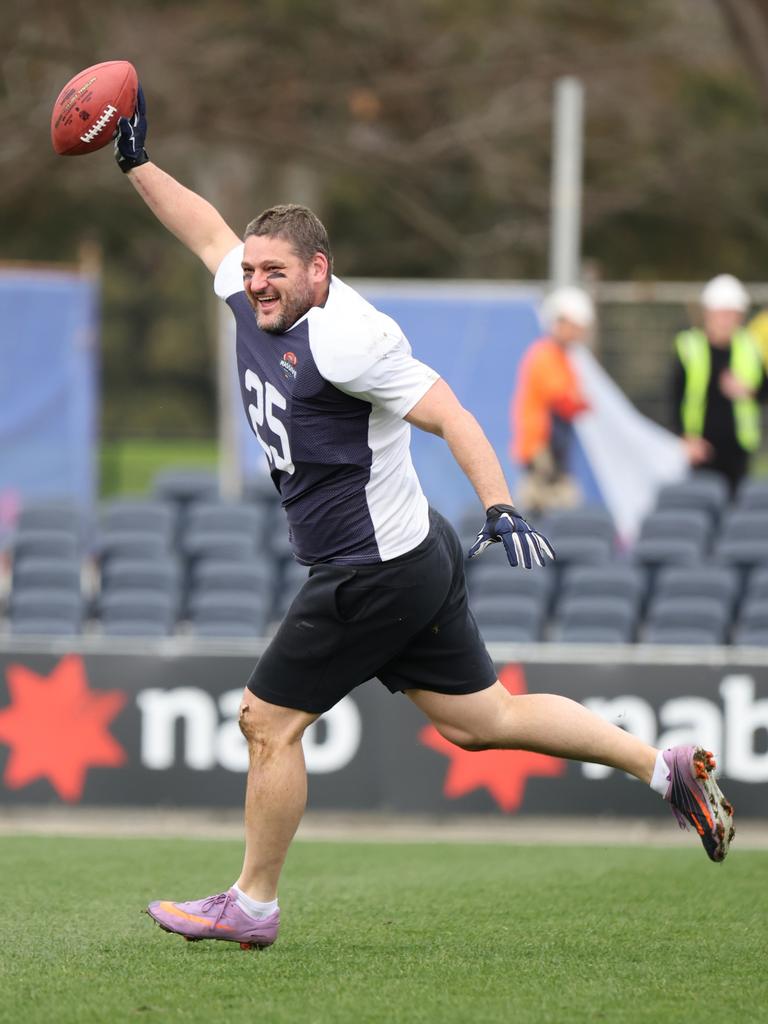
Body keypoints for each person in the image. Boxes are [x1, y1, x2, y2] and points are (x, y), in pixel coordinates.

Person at [106, 87, 734, 951]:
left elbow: (452, 415)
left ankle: (252, 901)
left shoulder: (352, 337)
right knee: (485, 723)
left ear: (318, 272)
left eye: (273, 273)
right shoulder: (251, 285)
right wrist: (138, 164)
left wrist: (502, 502)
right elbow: (206, 230)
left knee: (266, 720)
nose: (254, 284)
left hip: (372, 571)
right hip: (411, 553)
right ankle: (659, 766)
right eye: (250, 271)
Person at [671, 274, 768, 494]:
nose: (726, 320)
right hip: (700, 448)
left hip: (738, 448)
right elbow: (675, 396)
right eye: (721, 313)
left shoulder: (750, 346)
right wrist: (685, 439)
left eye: (731, 314)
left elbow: (764, 390)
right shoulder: (689, 346)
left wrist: (747, 390)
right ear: (708, 314)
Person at [510, 287, 593, 516]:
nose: (578, 333)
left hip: (554, 447)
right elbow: (564, 398)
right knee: (546, 507)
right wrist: (581, 402)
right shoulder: (545, 355)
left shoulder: (561, 357)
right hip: (541, 451)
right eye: (574, 327)